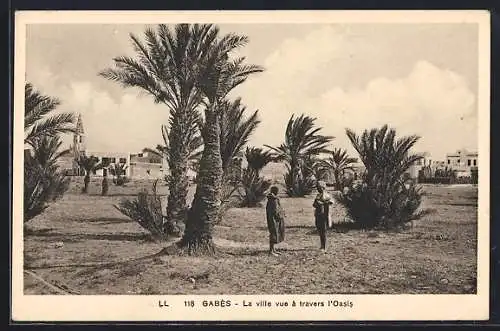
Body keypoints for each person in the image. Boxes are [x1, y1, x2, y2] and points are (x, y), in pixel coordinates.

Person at [313, 181, 333, 252]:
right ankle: (322, 245)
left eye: (319, 187)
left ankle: (324, 246)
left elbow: (330, 203)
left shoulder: (326, 195)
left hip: (324, 215)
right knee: (320, 231)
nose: (318, 189)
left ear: (322, 188)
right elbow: (314, 204)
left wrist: (322, 203)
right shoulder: (318, 195)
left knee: (323, 231)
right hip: (318, 215)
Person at [266, 186, 286, 256]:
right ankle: (271, 251)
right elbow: (275, 211)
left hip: (275, 219)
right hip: (273, 219)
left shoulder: (274, 199)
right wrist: (280, 216)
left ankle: (273, 249)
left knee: (275, 233)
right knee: (273, 233)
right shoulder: (273, 200)